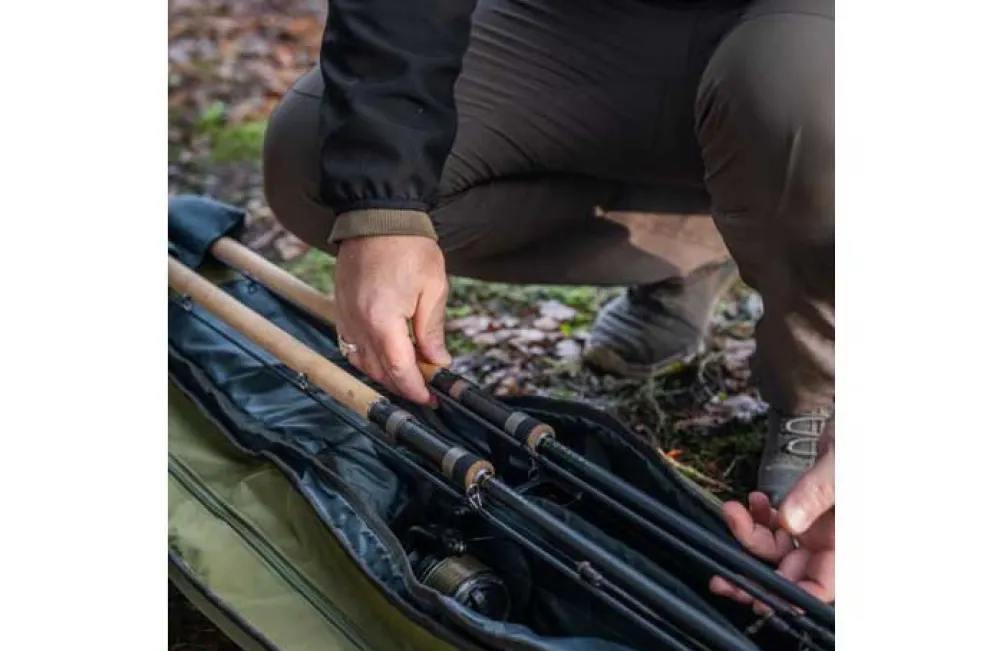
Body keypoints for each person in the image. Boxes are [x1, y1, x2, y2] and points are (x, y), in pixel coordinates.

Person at [262, 0, 834, 602]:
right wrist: (381, 209)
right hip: (590, 25)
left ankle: (817, 385)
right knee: (315, 152)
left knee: (792, 89)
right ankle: (707, 238)